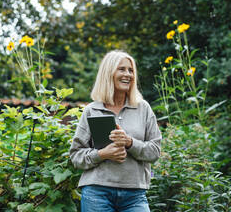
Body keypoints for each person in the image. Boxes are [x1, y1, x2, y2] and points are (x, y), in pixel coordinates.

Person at [69, 50, 162, 212]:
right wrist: (102, 154)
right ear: (108, 73)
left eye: (131, 70)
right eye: (122, 69)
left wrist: (130, 142)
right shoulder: (92, 110)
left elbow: (154, 152)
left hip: (135, 195)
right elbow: (76, 156)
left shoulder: (143, 108)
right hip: (96, 192)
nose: (128, 74)